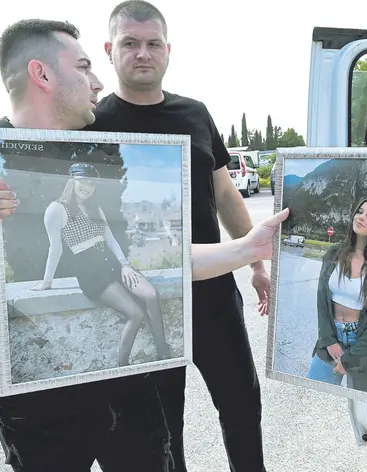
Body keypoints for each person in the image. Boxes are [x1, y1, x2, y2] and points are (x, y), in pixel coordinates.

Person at [0, 17, 289, 471]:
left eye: (154, 43)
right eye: (85, 66)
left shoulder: (163, 124)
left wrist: (251, 254)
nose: (95, 80)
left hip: (148, 363)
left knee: (228, 411)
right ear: (43, 74)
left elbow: (181, 232)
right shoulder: (70, 137)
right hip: (40, 403)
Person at [85, 2, 268, 469]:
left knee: (243, 407)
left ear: (168, 50)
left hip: (213, 294)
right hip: (146, 294)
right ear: (110, 50)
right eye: (130, 43)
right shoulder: (92, 124)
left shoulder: (196, 114)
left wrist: (256, 262)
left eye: (152, 44)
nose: (142, 53)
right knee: (166, 427)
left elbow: (225, 195)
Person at [36, 162, 170, 367]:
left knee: (151, 295)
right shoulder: (57, 209)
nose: (87, 187)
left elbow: (111, 239)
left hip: (113, 264)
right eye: (83, 181)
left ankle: (164, 354)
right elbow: (55, 248)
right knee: (135, 313)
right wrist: (47, 281)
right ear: (71, 180)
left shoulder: (94, 208)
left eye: (92, 183)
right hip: (91, 273)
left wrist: (125, 265)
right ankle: (122, 365)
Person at [306, 198, 367, 393]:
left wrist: (350, 360)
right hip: (332, 336)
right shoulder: (334, 253)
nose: (361, 218)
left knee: (361, 410)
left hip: (362, 345)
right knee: (313, 396)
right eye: (359, 212)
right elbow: (322, 300)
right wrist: (328, 339)